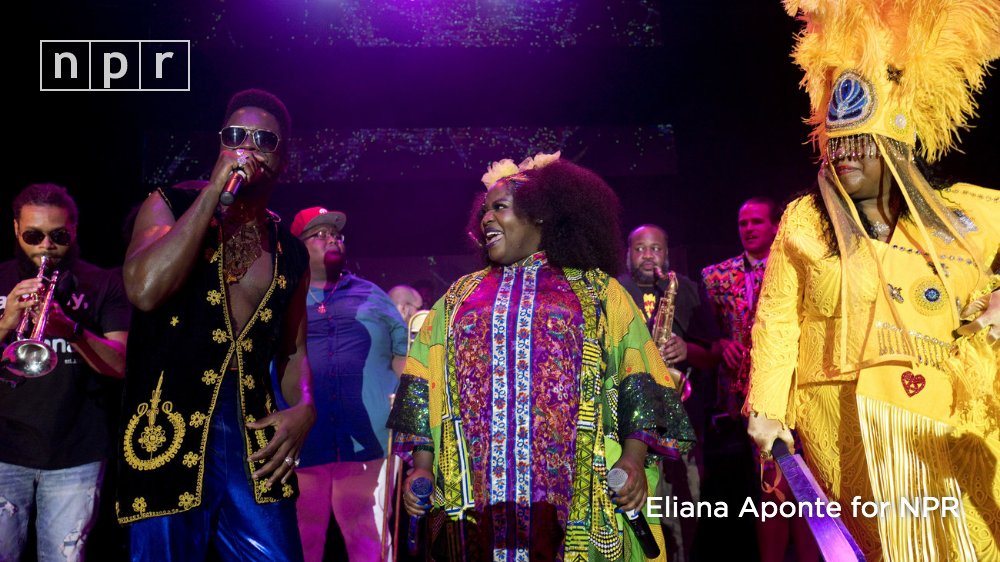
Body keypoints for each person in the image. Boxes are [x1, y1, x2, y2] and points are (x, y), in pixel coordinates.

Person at [746, 2, 1000, 560]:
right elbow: (778, 321)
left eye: (861, 146)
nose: (846, 157)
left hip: (937, 420)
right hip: (834, 425)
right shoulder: (804, 223)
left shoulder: (968, 221)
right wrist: (767, 408)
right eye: (838, 145)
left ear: (898, 150)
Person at [387, 153, 695, 561]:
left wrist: (635, 460)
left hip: (575, 498)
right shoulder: (458, 299)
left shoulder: (598, 292)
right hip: (475, 499)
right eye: (484, 211)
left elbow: (640, 381)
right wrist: (422, 467)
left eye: (500, 207)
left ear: (542, 216)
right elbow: (423, 386)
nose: (486, 219)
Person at [118, 88, 315, 562]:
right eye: (235, 135)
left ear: (281, 158)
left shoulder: (290, 250)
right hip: (166, 424)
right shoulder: (167, 204)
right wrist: (211, 193)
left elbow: (293, 351)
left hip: (254, 436)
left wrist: (305, 406)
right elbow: (144, 289)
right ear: (219, 145)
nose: (246, 146)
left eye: (263, 139)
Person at [0, 184, 130, 561]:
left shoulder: (105, 283)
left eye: (57, 235)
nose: (45, 246)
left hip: (77, 452)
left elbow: (121, 364)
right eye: (32, 235)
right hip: (5, 449)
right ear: (15, 230)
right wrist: (7, 322)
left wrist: (70, 330)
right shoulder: (1, 278)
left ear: (73, 231)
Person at [288, 206, 408, 562]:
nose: (332, 238)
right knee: (301, 536)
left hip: (369, 441)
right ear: (297, 247)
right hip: (303, 439)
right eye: (319, 233)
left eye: (336, 233)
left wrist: (409, 414)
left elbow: (403, 356)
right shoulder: (284, 297)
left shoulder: (372, 295)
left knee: (367, 533)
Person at [702, 198, 818, 562]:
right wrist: (721, 344)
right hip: (739, 397)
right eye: (743, 223)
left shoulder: (798, 268)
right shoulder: (715, 276)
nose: (748, 229)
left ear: (773, 226)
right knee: (765, 485)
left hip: (793, 387)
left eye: (756, 222)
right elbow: (706, 334)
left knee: (799, 483)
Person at [617, 224, 716, 562]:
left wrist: (687, 350)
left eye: (656, 248)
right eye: (640, 248)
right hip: (630, 423)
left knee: (685, 510)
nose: (649, 255)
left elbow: (714, 354)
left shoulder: (685, 290)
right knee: (640, 509)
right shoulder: (615, 292)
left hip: (681, 424)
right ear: (628, 253)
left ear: (667, 253)